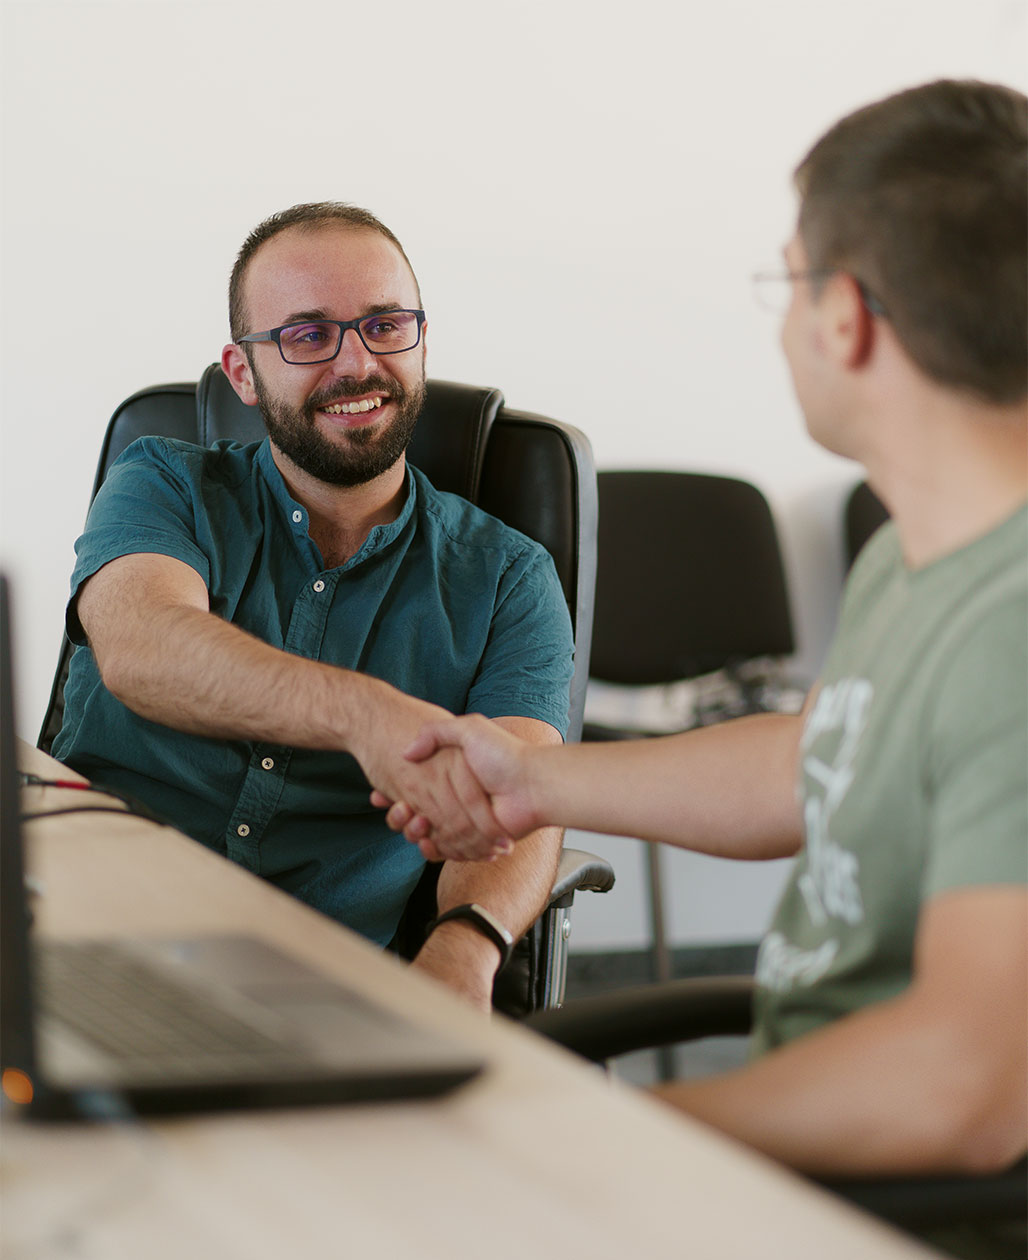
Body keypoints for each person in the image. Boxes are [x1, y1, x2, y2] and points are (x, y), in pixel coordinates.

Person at [380, 78, 1028, 1227]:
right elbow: (818, 766)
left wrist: (584, 1134)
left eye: (786, 280)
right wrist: (531, 782)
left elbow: (968, 1091)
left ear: (843, 318)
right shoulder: (919, 556)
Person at [51, 202, 574, 1012]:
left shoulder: (508, 576)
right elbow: (143, 646)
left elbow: (520, 796)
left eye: (385, 324)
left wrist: (466, 948)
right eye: (307, 335)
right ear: (241, 373)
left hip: (317, 985)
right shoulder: (163, 483)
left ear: (421, 338)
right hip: (86, 932)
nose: (357, 364)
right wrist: (364, 716)